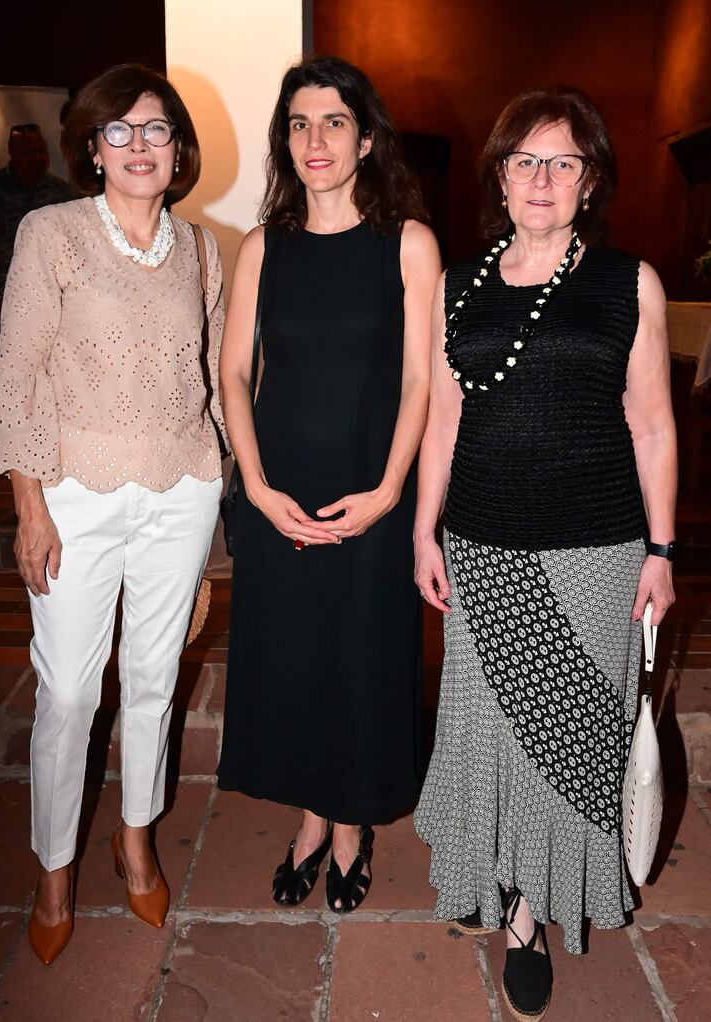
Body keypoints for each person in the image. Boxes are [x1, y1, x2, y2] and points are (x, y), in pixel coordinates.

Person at [413, 86, 677, 1021]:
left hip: (597, 553)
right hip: (484, 546)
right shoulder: (460, 283)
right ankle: (496, 877)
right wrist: (424, 531)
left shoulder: (626, 282)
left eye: (563, 162)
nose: (541, 178)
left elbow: (651, 427)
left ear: (590, 180)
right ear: (499, 174)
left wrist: (661, 548)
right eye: (524, 159)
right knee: (492, 736)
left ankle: (531, 911)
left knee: (567, 746)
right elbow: (442, 422)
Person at [0, 63, 226, 964]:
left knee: (152, 678)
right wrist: (30, 508)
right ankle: (54, 866)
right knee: (71, 690)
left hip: (180, 491)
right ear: (92, 148)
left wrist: (218, 522)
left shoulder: (201, 249)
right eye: (121, 131)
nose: (140, 145)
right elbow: (18, 369)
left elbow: (213, 385)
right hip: (74, 490)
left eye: (157, 130)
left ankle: (137, 837)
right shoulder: (52, 232)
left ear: (179, 150)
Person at [217, 55, 440, 913]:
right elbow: (235, 374)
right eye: (299, 123)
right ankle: (312, 819)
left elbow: (422, 382)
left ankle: (351, 827)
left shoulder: (409, 243)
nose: (315, 140)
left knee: (361, 657)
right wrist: (258, 486)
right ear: (286, 139)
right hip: (280, 490)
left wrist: (389, 491)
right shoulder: (263, 246)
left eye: (334, 122)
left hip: (369, 488)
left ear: (367, 137)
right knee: (299, 656)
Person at [0, 123, 73, 333]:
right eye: (29, 153)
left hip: (50, 287)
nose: (37, 158)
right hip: (5, 286)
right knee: (10, 351)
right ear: (12, 153)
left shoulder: (59, 190)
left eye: (41, 151)